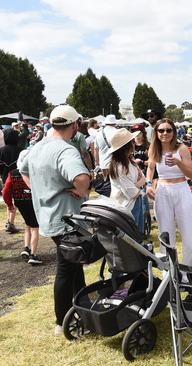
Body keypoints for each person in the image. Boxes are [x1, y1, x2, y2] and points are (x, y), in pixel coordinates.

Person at [19, 105, 91, 336]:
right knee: (66, 270)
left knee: (73, 265)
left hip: (49, 217)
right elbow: (81, 178)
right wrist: (81, 191)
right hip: (67, 218)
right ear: (74, 125)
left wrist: (39, 189)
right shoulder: (65, 150)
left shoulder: (36, 147)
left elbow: (22, 169)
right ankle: (63, 321)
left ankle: (84, 308)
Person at [146, 118, 192, 301]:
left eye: (168, 130)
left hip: (181, 190)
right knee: (165, 236)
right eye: (161, 130)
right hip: (162, 191)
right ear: (156, 132)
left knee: (188, 235)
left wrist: (178, 163)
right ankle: (168, 278)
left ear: (174, 132)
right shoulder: (154, 148)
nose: (165, 133)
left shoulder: (182, 148)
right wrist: (148, 185)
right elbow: (150, 168)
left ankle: (190, 278)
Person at [2, 151, 40, 264]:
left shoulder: (12, 173)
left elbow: (5, 190)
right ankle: (33, 255)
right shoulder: (34, 171)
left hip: (19, 202)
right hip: (33, 201)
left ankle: (26, 248)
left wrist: (9, 204)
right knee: (35, 228)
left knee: (28, 224)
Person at [108, 129, 146, 233]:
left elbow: (143, 177)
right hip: (126, 206)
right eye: (132, 142)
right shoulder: (120, 167)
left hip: (133, 203)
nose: (134, 144)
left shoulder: (130, 161)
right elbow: (131, 193)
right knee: (132, 237)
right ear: (127, 146)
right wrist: (139, 184)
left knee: (137, 235)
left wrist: (136, 184)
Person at [0, 129, 22, 233]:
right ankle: (10, 223)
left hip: (5, 178)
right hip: (18, 177)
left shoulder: (1, 150)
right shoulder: (21, 150)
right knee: (14, 200)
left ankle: (10, 222)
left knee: (9, 200)